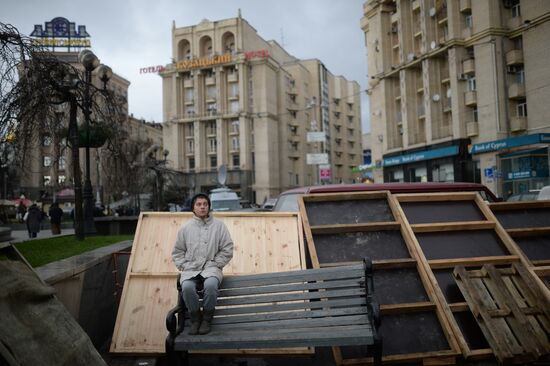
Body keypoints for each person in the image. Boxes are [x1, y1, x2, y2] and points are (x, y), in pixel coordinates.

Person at [172, 193, 234, 335]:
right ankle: (195, 319)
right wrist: (184, 265)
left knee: (211, 286)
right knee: (186, 287)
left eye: (205, 204)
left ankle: (206, 319)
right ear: (193, 208)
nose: (202, 207)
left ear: (209, 207)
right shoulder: (186, 228)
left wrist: (216, 263)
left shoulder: (219, 226)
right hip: (190, 269)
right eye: (198, 204)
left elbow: (227, 248)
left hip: (211, 269)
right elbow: (177, 252)